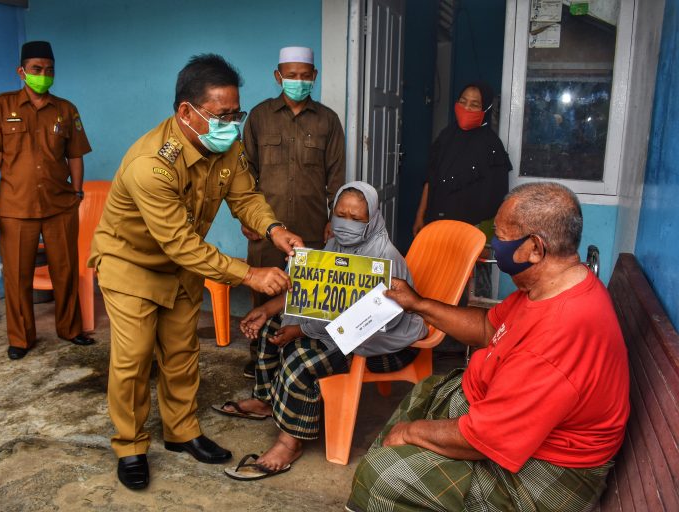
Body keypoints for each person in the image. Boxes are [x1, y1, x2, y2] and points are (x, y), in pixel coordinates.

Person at [88, 54, 305, 491]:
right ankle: (130, 446)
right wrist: (250, 275)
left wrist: (274, 228)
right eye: (222, 115)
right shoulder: (152, 165)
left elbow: (246, 195)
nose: (232, 123)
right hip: (131, 265)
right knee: (132, 362)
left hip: (181, 268)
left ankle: (181, 432)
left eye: (236, 113)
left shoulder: (226, 146)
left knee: (182, 353)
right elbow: (182, 243)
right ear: (186, 112)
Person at [347, 182, 629, 512]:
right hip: (500, 422)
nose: (494, 244)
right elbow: (486, 328)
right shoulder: (550, 284)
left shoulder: (561, 333)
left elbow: (486, 437)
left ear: (535, 248)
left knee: (383, 477)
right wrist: (418, 304)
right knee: (425, 394)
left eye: (501, 235)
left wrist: (411, 433)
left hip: (542, 471)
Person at [215, 181, 427, 480]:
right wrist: (267, 310)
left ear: (373, 219)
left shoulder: (384, 258)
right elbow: (314, 294)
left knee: (299, 358)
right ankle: (266, 400)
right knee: (270, 331)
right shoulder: (337, 246)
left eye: (356, 218)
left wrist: (301, 331)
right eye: (340, 215)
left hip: (379, 344)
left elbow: (363, 321)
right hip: (339, 331)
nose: (346, 224)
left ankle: (291, 441)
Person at [0, 41, 94, 361]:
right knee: (17, 276)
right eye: (37, 69)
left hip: (59, 205)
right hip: (15, 207)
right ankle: (20, 338)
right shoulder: (1, 106)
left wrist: (77, 192)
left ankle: (70, 329)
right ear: (22, 72)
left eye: (49, 70)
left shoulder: (66, 109)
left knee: (66, 271)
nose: (44, 75)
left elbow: (76, 155)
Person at [240, 46, 346, 378]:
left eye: (304, 76)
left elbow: (337, 175)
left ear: (314, 76)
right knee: (263, 293)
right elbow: (245, 173)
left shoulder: (328, 120)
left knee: (304, 296)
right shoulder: (258, 117)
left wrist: (335, 218)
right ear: (278, 76)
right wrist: (246, 217)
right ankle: (259, 358)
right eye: (291, 76)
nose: (297, 81)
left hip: (312, 227)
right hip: (265, 229)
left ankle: (297, 358)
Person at [412, 82, 511, 236]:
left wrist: (483, 238)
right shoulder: (446, 136)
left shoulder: (492, 146)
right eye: (463, 102)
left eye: (474, 104)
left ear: (485, 108)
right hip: (435, 222)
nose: (466, 108)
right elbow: (430, 179)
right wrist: (420, 216)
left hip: (469, 231)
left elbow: (495, 199)